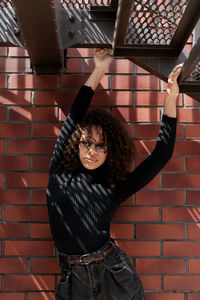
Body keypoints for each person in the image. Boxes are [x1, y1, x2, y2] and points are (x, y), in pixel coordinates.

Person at [46, 48, 182, 300]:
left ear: (111, 152)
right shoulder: (59, 169)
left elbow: (161, 155)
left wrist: (171, 98)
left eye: (101, 146)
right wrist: (99, 69)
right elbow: (76, 113)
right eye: (87, 143)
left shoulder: (114, 184)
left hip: (112, 274)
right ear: (77, 143)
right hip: (72, 279)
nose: (91, 152)